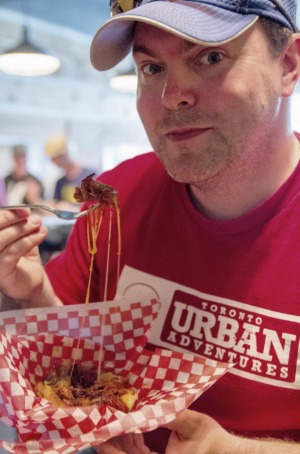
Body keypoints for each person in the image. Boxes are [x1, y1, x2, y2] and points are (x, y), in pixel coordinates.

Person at [0, 0, 299, 453]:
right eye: (152, 67)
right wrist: (27, 293)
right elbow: (69, 362)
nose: (171, 95)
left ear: (288, 65)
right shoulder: (116, 197)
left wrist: (246, 450)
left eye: (210, 57)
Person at [44, 134, 95, 208]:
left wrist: (71, 207)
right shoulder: (60, 182)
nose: (53, 162)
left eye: (55, 158)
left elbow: (97, 204)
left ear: (64, 155)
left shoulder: (90, 176)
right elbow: (56, 206)